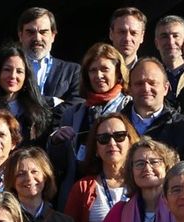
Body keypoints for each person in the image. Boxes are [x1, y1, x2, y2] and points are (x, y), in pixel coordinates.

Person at [48, 43, 129, 198]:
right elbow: (60, 165)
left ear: (118, 73)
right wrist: (56, 142)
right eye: (93, 70)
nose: (98, 76)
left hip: (120, 193)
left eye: (104, 69)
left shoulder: (130, 109)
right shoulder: (73, 113)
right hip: (80, 194)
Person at [96, 137, 180, 222]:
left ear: (167, 168)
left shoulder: (181, 207)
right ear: (131, 171)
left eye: (154, 162)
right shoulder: (119, 212)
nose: (147, 168)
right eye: (140, 164)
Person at [63, 113, 137, 222]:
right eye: (104, 138)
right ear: (96, 148)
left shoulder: (142, 183)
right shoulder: (82, 188)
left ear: (130, 142)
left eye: (119, 136)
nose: (112, 143)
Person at [0, 44, 53, 148]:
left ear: (26, 76)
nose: (13, 76)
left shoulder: (38, 110)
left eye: (19, 71)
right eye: (7, 69)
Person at [18, 7, 82, 102]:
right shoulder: (9, 70)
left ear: (53, 36)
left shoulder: (72, 71)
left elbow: (76, 104)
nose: (37, 38)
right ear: (20, 36)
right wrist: (52, 102)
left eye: (43, 32)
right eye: (30, 32)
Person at [153, 15, 184, 98]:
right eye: (164, 36)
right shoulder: (151, 75)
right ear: (156, 43)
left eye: (176, 36)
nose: (171, 42)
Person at [107, 7, 146, 72]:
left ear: (142, 37)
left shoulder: (147, 74)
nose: (127, 38)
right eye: (122, 32)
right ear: (111, 34)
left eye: (133, 33)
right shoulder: (99, 74)